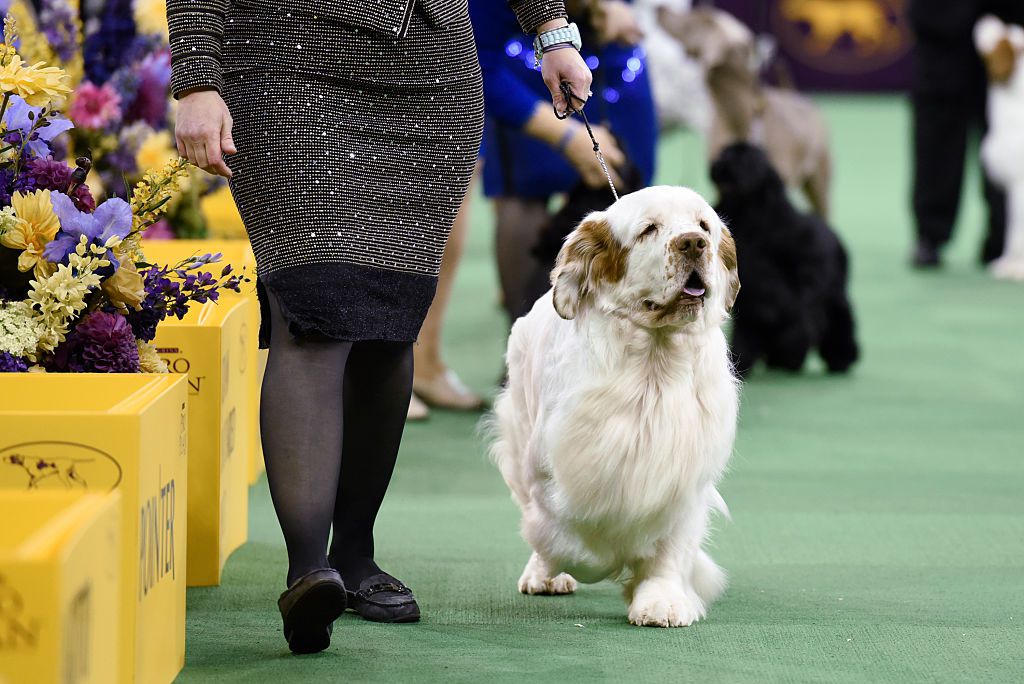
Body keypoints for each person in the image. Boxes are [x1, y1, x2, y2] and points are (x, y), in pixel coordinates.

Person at [167, 0, 592, 654]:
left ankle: (356, 557)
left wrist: (551, 31)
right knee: (315, 313)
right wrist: (197, 76)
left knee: (389, 325)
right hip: (287, 66)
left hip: (429, 80)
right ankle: (310, 570)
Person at [470, 0, 658, 324]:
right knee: (525, 195)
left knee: (632, 190)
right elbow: (477, 63)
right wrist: (566, 136)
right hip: (522, 61)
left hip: (614, 54)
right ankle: (527, 337)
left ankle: (633, 334)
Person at [909, 0, 1024, 267]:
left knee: (1010, 135)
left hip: (1008, 20)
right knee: (937, 131)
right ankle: (931, 233)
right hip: (941, 23)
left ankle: (1004, 236)